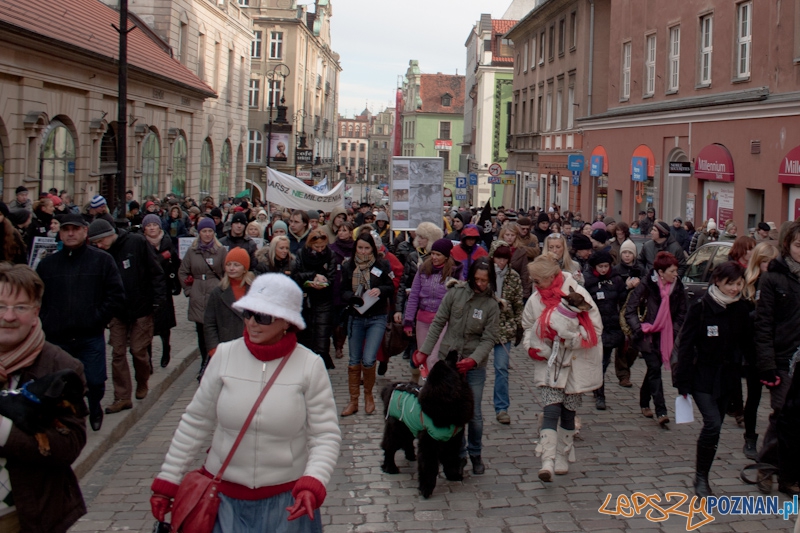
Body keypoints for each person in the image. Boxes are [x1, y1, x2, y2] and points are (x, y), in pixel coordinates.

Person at [150, 274, 341, 532]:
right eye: (248, 313)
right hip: (223, 499)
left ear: (287, 321)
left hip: (287, 502)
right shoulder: (224, 356)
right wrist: (168, 480)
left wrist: (313, 481)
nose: (252, 323)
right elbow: (195, 422)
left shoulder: (310, 365)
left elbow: (325, 434)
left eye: (263, 316)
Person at [0, 264, 88, 532]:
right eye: (0, 306)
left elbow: (69, 445)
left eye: (21, 307)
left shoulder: (60, 368)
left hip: (23, 513)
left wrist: (5, 432)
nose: (8, 316)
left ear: (36, 311)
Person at [36, 214, 125, 431]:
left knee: (94, 380)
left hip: (89, 335)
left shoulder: (102, 260)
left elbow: (115, 295)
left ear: (85, 231)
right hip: (58, 337)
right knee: (61, 382)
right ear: (60, 232)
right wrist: (47, 321)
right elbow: (37, 299)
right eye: (66, 229)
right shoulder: (47, 265)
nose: (70, 233)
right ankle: (71, 416)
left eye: (75, 229)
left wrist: (96, 318)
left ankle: (94, 406)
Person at [673, 261, 752, 497]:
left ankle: (703, 474)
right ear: (718, 281)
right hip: (702, 376)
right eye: (730, 284)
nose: (735, 289)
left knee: (715, 428)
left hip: (728, 377)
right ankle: (701, 478)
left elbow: (747, 344)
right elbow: (686, 345)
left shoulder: (742, 309)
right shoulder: (701, 307)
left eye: (739, 284)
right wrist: (682, 382)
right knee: (713, 423)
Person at [415, 257, 500, 476]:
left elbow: (489, 338)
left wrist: (474, 359)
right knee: (452, 411)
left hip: (474, 366)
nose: (480, 284)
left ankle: (475, 453)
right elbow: (438, 323)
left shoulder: (491, 305)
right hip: (450, 363)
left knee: (474, 414)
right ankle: (458, 454)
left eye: (485, 280)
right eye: (477, 279)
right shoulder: (455, 294)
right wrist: (424, 351)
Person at [522, 253, 602, 481]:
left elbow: (595, 328)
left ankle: (562, 455)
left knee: (568, 412)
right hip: (549, 363)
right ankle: (546, 460)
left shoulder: (576, 293)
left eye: (538, 281)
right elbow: (528, 326)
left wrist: (572, 339)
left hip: (576, 363)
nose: (535, 286)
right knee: (550, 409)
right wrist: (531, 346)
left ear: (550, 277)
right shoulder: (535, 301)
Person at [88, 219, 165, 415]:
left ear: (109, 234)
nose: (98, 246)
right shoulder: (101, 255)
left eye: (99, 241)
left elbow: (155, 272)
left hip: (141, 307)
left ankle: (142, 380)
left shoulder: (137, 243)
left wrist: (157, 300)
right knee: (117, 353)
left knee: (139, 351)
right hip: (116, 311)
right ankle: (122, 397)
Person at [753, 221, 800, 495]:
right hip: (783, 359)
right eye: (797, 246)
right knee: (782, 415)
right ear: (787, 246)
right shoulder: (773, 278)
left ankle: (790, 475)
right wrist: (767, 365)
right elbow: (763, 326)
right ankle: (768, 466)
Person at [625, 251, 687, 428]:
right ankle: (661, 411)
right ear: (661, 272)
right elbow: (631, 308)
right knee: (653, 367)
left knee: (654, 370)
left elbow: (683, 311)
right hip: (647, 333)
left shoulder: (677, 286)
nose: (676, 274)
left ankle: (644, 401)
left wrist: (674, 329)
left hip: (666, 334)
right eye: (672, 271)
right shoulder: (647, 284)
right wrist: (638, 328)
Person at [339, 232, 394, 416]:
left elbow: (390, 286)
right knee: (354, 360)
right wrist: (352, 298)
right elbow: (342, 291)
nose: (363, 251)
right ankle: (354, 400)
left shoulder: (381, 265)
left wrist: (380, 290)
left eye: (366, 248)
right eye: (360, 248)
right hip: (356, 317)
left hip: (376, 316)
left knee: (369, 358)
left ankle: (368, 395)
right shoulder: (348, 266)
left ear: (373, 248)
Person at [740, 242, 779, 459]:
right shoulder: (748, 284)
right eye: (765, 262)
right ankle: (750, 438)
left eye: (772, 262)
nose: (768, 266)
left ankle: (776, 440)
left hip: (775, 348)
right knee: (753, 397)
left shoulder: (777, 283)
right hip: (753, 349)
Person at [402, 238, 462, 372]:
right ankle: (428, 387)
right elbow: (414, 295)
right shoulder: (423, 269)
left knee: (434, 358)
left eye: (438, 254)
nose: (434, 257)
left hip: (443, 321)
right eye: (432, 253)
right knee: (423, 357)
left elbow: (461, 298)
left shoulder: (455, 272)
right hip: (423, 320)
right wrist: (408, 320)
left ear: (446, 256)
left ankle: (435, 389)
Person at [178, 218, 227, 379]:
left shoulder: (221, 251)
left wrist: (223, 290)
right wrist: (189, 290)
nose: (207, 234)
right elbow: (183, 272)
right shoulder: (192, 252)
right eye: (204, 231)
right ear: (199, 233)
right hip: (198, 292)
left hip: (215, 292)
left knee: (214, 331)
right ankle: (204, 363)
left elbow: (227, 272)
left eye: (210, 231)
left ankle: (213, 362)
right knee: (201, 332)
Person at [583, 250, 626, 410]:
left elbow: (623, 300)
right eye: (600, 266)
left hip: (611, 326)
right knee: (598, 362)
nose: (603, 269)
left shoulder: (615, 280)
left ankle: (597, 386)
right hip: (594, 327)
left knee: (604, 362)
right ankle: (600, 394)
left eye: (606, 266)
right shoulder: (588, 281)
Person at [488, 242, 523, 425]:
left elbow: (518, 304)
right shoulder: (484, 274)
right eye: (498, 258)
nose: (501, 262)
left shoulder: (514, 277)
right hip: (484, 328)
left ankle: (502, 408)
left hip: (505, 328)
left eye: (504, 259)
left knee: (501, 368)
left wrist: (519, 326)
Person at [292, 229, 337, 370]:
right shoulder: (301, 254)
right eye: (316, 247)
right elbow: (297, 275)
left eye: (322, 247)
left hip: (324, 299)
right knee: (306, 334)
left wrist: (324, 283)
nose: (319, 250)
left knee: (322, 335)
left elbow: (332, 277)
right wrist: (312, 277)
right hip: (306, 299)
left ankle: (321, 363)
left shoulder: (330, 255)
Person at [142, 213, 181, 368]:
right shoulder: (142, 243)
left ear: (159, 226)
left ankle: (166, 348)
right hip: (147, 289)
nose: (152, 228)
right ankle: (148, 359)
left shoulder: (167, 242)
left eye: (154, 225)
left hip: (164, 289)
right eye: (149, 225)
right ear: (144, 228)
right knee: (147, 327)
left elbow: (176, 262)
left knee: (164, 325)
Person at [204, 248, 254, 356]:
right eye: (228, 264)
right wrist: (213, 347)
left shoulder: (255, 291)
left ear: (244, 268)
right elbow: (209, 323)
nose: (231, 268)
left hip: (251, 345)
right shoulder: (218, 292)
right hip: (226, 345)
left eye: (236, 265)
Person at [613, 239, 642, 388]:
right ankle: (623, 374)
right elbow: (615, 292)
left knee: (634, 345)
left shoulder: (640, 269)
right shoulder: (616, 270)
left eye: (629, 253)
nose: (626, 256)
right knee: (623, 343)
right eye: (624, 252)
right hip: (621, 309)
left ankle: (627, 366)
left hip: (637, 311)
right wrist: (626, 286)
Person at [330, 222, 355, 360]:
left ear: (351, 232)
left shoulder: (356, 248)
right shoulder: (332, 248)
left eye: (344, 230)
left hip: (350, 287)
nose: (341, 233)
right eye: (339, 230)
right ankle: (336, 345)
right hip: (335, 287)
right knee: (335, 320)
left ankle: (341, 344)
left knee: (345, 320)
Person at [498, 222, 533, 300]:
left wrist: (525, 293)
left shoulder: (521, 251)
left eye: (512, 235)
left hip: (514, 289)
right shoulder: (496, 248)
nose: (510, 237)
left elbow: (524, 272)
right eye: (507, 235)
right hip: (499, 288)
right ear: (503, 235)